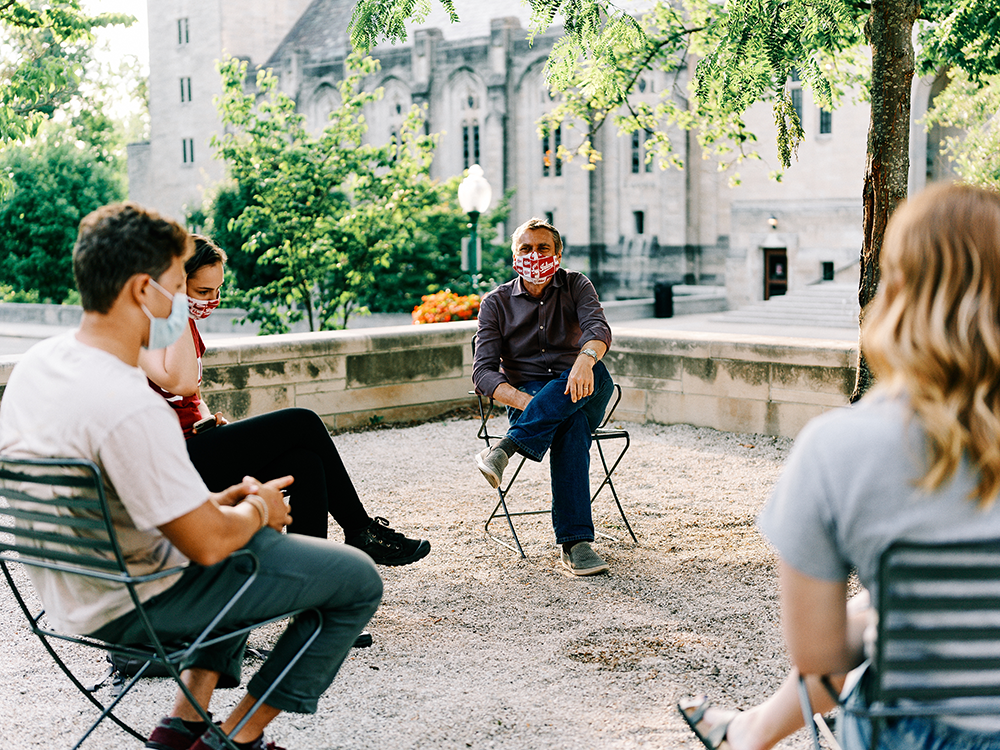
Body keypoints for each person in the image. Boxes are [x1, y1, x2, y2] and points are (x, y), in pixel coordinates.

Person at [0, 202, 384, 750]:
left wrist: (223, 503)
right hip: (133, 601)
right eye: (179, 286)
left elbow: (134, 501)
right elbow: (205, 545)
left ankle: (182, 724)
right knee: (355, 580)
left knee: (244, 522)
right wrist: (257, 510)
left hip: (69, 590)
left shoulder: (38, 366)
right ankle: (235, 739)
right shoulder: (131, 405)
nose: (187, 301)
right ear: (142, 290)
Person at [678, 183, 1000, 750]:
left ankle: (748, 733)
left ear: (897, 288)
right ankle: (746, 730)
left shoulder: (839, 448)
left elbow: (818, 662)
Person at [139, 236, 430, 567]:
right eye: (202, 292)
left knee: (305, 463)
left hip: (198, 441)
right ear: (176, 282)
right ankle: (360, 531)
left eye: (217, 291)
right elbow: (182, 381)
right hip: (174, 459)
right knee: (302, 422)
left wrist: (207, 417)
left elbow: (190, 395)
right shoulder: (146, 323)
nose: (212, 301)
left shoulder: (182, 323)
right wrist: (177, 304)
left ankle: (308, 568)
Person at [472, 217, 614, 576]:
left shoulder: (576, 284)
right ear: (514, 254)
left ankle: (505, 448)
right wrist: (525, 402)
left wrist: (585, 359)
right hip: (529, 395)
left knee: (593, 371)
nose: (535, 255)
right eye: (526, 248)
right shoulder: (496, 303)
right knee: (570, 424)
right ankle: (576, 544)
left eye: (543, 248)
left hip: (587, 385)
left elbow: (598, 329)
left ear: (559, 253)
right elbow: (483, 372)